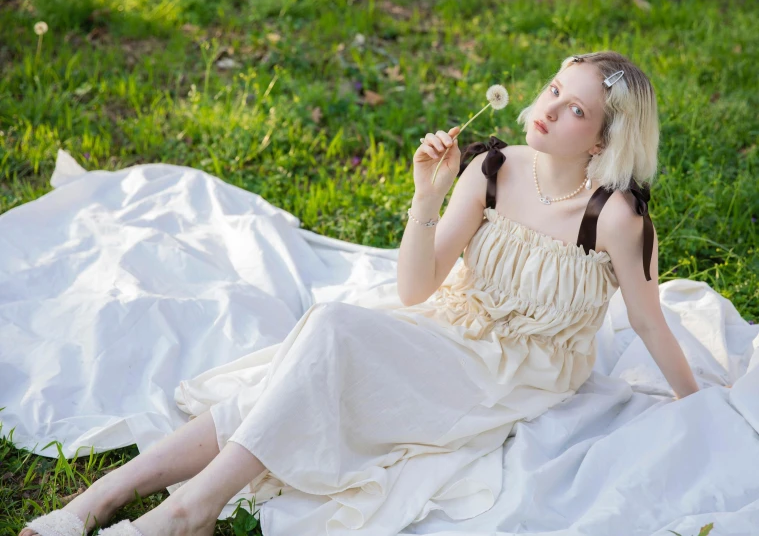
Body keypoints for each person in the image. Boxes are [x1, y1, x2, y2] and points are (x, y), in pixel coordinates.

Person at [20, 50, 702, 536]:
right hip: (443, 325)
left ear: (604, 138)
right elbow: (415, 289)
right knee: (292, 370)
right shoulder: (494, 168)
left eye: (574, 107)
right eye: (554, 88)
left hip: (511, 373)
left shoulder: (613, 217)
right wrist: (425, 199)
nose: (548, 108)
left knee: (329, 336)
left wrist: (695, 407)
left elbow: (647, 324)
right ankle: (105, 502)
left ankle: (181, 512)